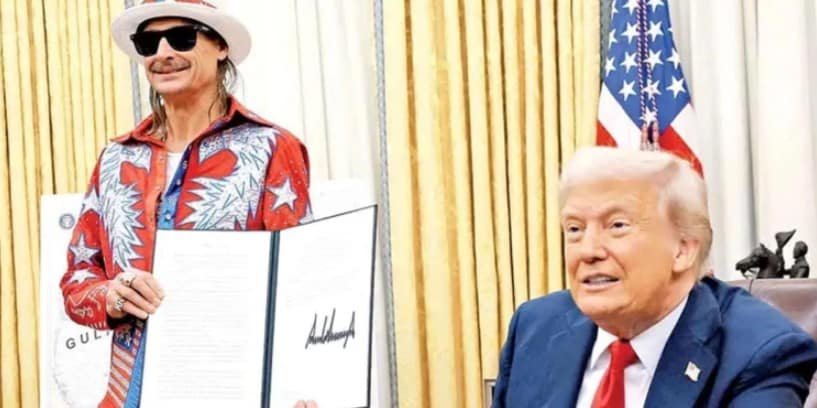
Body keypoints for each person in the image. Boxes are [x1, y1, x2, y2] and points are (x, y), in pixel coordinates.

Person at [59, 1, 313, 406]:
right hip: (131, 390)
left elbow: (300, 280)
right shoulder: (116, 159)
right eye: (148, 43)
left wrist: (298, 386)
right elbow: (78, 276)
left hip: (234, 385)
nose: (163, 53)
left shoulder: (271, 147)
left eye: (182, 37)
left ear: (221, 47)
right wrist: (111, 296)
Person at [492, 147, 817, 407]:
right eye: (574, 229)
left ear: (683, 250)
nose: (587, 250)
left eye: (617, 226)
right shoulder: (535, 327)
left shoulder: (760, 353)